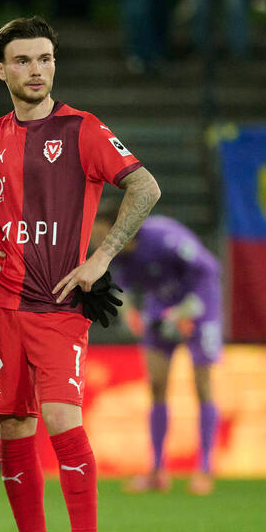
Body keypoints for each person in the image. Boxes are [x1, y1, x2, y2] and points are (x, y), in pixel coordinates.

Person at [0, 16, 161, 532]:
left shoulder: (83, 129)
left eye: (45, 59)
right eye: (23, 61)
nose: (36, 70)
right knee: (13, 427)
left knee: (62, 421)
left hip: (58, 303)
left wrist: (101, 257)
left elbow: (145, 186)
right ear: (1, 71)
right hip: (2, 301)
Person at [90, 206, 222, 495]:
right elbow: (121, 289)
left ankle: (205, 469)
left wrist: (187, 311)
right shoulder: (119, 256)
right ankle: (157, 470)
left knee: (202, 386)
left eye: (101, 234)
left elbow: (208, 269)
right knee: (157, 385)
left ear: (120, 228)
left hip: (197, 309)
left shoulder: (163, 236)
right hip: (160, 311)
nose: (98, 242)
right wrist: (128, 314)